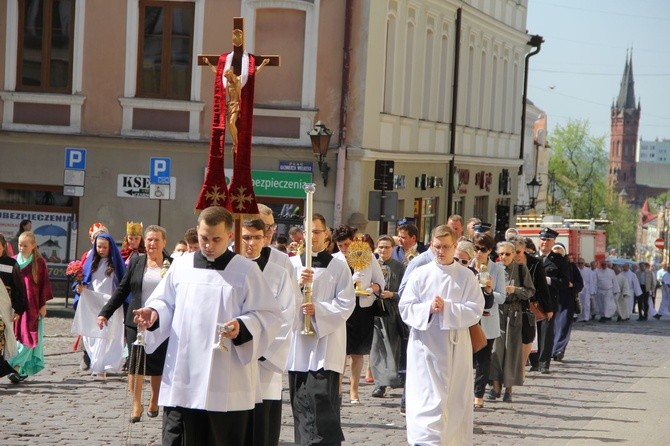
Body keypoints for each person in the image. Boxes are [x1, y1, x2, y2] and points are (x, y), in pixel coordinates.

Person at [134, 207, 282, 445]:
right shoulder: (182, 266)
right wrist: (153, 313)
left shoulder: (246, 270)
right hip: (184, 372)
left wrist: (241, 326)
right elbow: (165, 302)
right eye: (204, 238)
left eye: (216, 239)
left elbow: (267, 315)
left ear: (230, 237)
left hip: (225, 374)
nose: (209, 245)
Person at [399, 224, 484, 445]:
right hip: (425, 347)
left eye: (446, 246)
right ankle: (425, 440)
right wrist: (428, 308)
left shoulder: (466, 277)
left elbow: (475, 310)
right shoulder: (420, 274)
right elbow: (405, 307)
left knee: (454, 399)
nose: (441, 251)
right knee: (426, 397)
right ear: (431, 245)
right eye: (437, 246)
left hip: (455, 346)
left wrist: (447, 307)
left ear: (455, 246)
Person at [286, 213, 355, 446]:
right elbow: (281, 303)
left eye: (317, 232)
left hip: (326, 345)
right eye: (308, 231)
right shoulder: (293, 264)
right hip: (298, 348)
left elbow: (346, 303)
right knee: (301, 401)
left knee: (322, 398)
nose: (312, 236)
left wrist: (318, 310)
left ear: (326, 234)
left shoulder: (338, 266)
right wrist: (298, 286)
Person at [98, 226, 171, 423]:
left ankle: (155, 400)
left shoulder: (171, 264)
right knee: (135, 363)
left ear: (164, 242)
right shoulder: (137, 261)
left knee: (156, 362)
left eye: (156, 240)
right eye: (149, 240)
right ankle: (136, 404)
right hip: (136, 321)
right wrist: (105, 312)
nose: (152, 244)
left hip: (160, 323)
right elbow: (122, 290)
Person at [239, 219, 298, 446]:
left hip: (266, 359)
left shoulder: (278, 272)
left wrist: (264, 351)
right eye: (246, 237)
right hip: (236, 356)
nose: (251, 243)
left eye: (256, 237)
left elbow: (286, 314)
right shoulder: (231, 269)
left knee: (262, 423)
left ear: (266, 239)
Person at [332, 225, 384, 404]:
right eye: (340, 246)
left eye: (346, 244)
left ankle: (354, 392)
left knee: (357, 352)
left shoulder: (367, 256)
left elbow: (380, 282)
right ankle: (337, 390)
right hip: (340, 308)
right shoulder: (334, 260)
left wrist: (369, 289)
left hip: (362, 308)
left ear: (354, 240)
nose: (344, 249)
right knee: (339, 352)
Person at [72, 233, 126, 378]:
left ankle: (100, 366)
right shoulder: (91, 262)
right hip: (93, 302)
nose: (101, 250)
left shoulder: (115, 264)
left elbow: (123, 283)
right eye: (99, 247)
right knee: (93, 335)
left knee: (107, 334)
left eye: (104, 247)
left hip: (110, 303)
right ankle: (97, 363)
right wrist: (79, 287)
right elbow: (83, 280)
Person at [488, 241, 535, 403]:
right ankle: (495, 387)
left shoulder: (521, 269)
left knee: (512, 351)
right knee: (495, 350)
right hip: (496, 312)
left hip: (514, 314)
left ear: (514, 254)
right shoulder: (493, 269)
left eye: (507, 254)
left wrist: (515, 290)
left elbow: (530, 291)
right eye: (501, 254)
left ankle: (509, 389)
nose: (504, 257)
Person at [9, 231, 53, 382]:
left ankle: (15, 366)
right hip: (17, 306)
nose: (21, 248)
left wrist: (43, 304)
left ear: (33, 246)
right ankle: (19, 370)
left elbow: (44, 285)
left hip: (33, 306)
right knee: (17, 338)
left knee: (30, 338)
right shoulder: (13, 261)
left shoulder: (39, 263)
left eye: (25, 245)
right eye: (20, 245)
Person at [471, 233, 505, 409]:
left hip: (488, 318)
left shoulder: (497, 269)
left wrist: (489, 290)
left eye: (482, 249)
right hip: (469, 319)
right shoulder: (467, 267)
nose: (478, 253)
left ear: (490, 251)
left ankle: (478, 394)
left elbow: (502, 297)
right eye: (476, 248)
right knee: (465, 358)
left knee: (483, 360)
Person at [370, 235, 406, 398]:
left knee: (392, 347)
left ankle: (393, 377)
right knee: (376, 348)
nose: (383, 250)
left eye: (387, 247)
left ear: (393, 249)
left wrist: (392, 294)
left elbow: (406, 291)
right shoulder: (371, 265)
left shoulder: (399, 268)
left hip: (392, 313)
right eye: (381, 247)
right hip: (375, 312)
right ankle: (380, 384)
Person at [512, 236, 552, 376]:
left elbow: (542, 285)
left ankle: (523, 366)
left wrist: (548, 308)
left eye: (518, 252)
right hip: (510, 304)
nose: (515, 255)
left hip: (529, 305)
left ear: (523, 249)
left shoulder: (535, 262)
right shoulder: (504, 261)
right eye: (513, 251)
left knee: (527, 338)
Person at [530, 228, 567, 371]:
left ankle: (543, 363)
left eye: (548, 240)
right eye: (543, 239)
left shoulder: (559, 260)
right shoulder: (532, 258)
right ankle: (533, 362)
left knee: (546, 332)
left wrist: (549, 280)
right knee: (532, 332)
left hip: (549, 301)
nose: (545, 242)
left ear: (553, 242)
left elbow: (565, 282)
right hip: (532, 300)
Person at [0, 234, 27, 379]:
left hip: (3, 308)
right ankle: (6, 369)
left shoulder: (11, 264)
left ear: (4, 247)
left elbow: (18, 288)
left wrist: (18, 308)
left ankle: (6, 368)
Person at [551, 244, 583, 359]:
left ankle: (559, 350)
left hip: (566, 301)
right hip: (551, 299)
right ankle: (549, 350)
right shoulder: (547, 265)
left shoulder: (571, 267)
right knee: (551, 326)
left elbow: (580, 284)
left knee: (563, 326)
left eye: (560, 253)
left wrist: (572, 285)